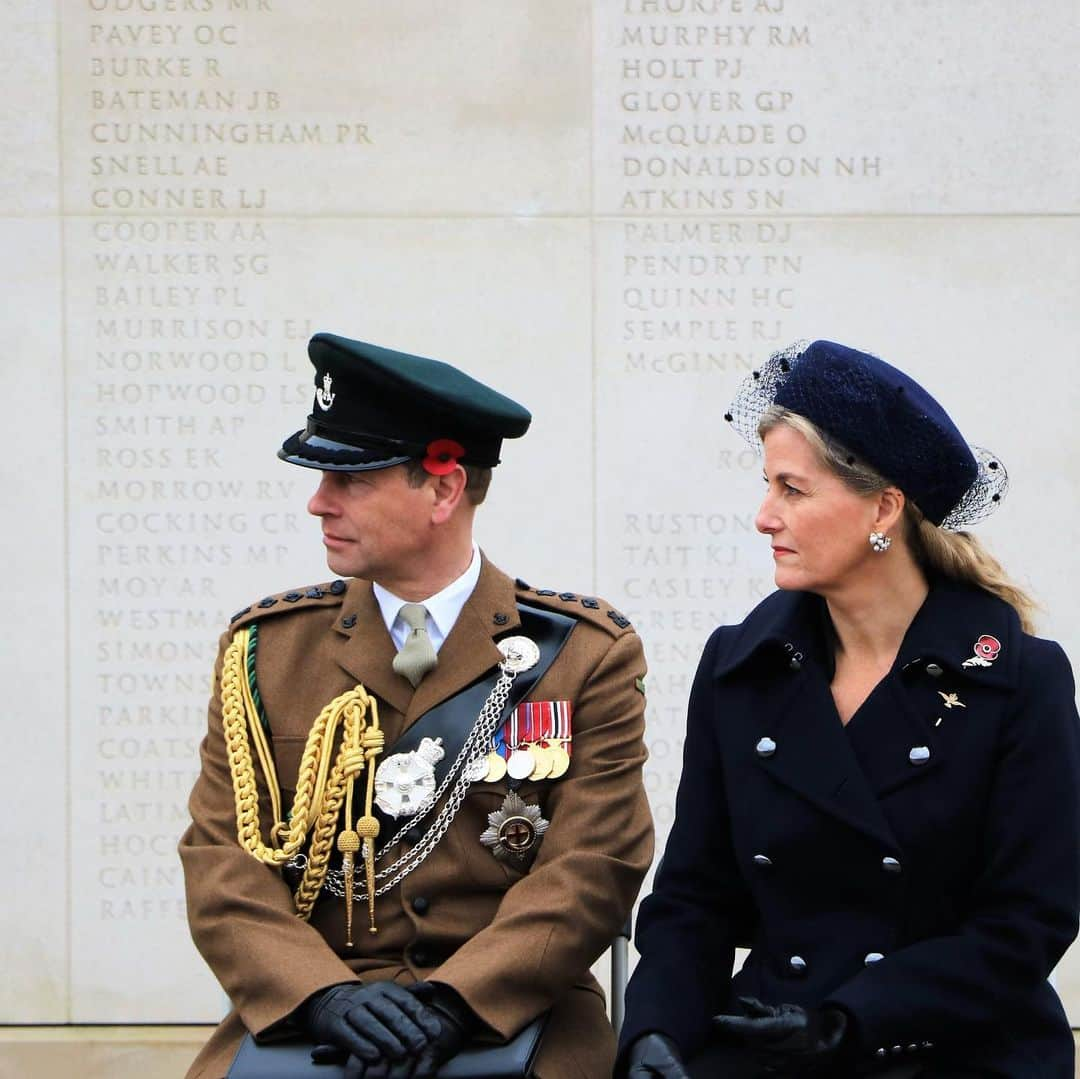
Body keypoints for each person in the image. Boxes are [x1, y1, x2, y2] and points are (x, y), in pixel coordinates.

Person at [179, 332, 653, 1079]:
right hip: (311, 1013)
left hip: (509, 1010)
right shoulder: (266, 649)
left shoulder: (586, 654)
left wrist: (458, 1001)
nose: (317, 502)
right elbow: (220, 860)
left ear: (443, 488)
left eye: (352, 479)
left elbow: (594, 864)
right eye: (320, 476)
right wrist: (322, 994)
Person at [616, 340, 1080, 1078]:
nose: (764, 516)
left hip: (956, 1049)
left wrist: (848, 1019)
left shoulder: (1021, 680)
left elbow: (1026, 923)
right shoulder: (741, 665)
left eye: (792, 490)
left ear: (884, 508)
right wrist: (656, 1031)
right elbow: (693, 896)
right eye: (767, 485)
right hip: (769, 1041)